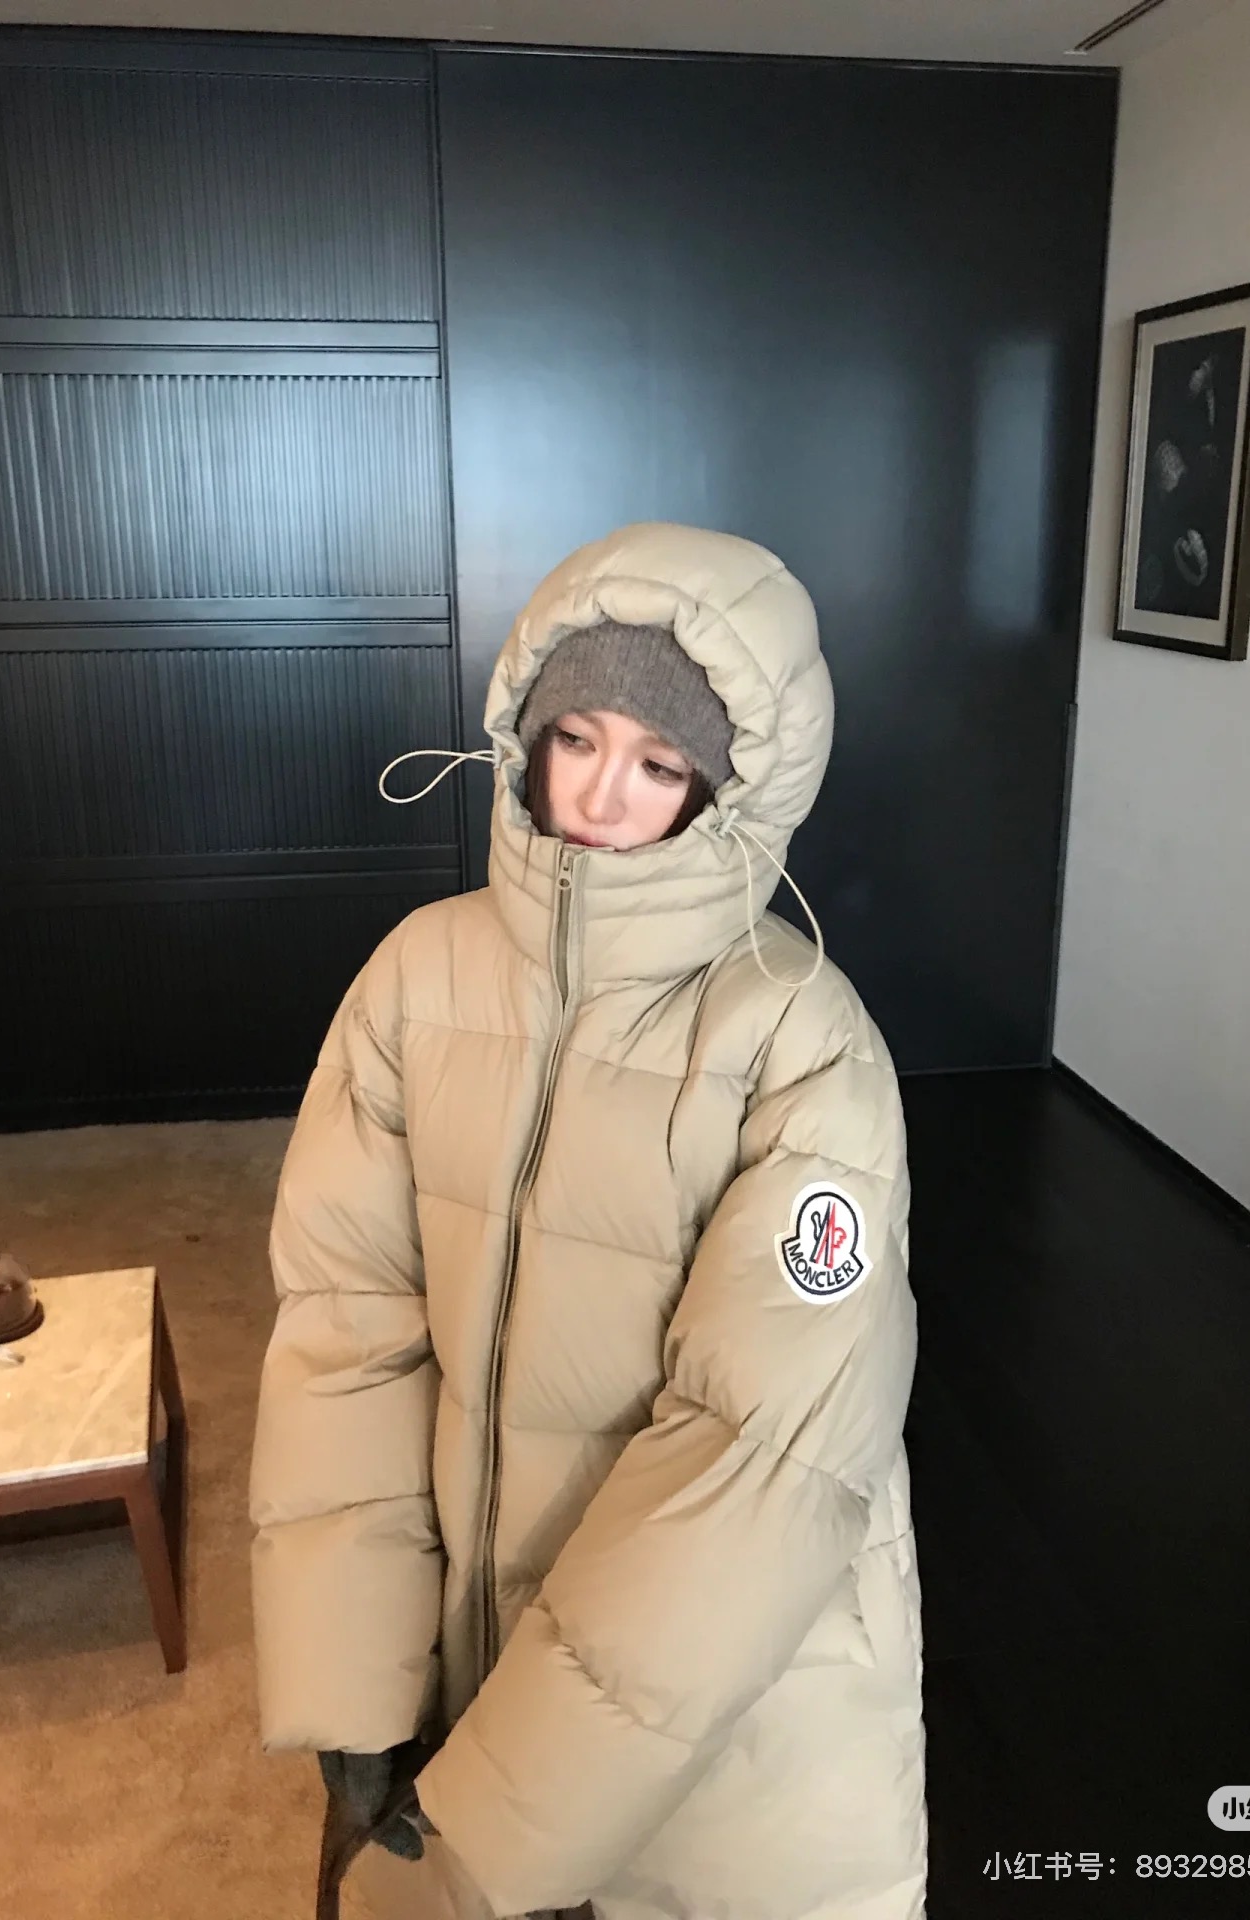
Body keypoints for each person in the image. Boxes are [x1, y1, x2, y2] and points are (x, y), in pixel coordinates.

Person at [249, 521, 927, 1920]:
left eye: (662, 763)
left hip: (736, 1736)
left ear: (732, 788)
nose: (602, 796)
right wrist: (356, 1698)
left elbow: (759, 1463)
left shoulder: (804, 1045)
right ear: (528, 733)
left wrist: (492, 1821)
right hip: (472, 1666)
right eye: (576, 738)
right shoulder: (413, 980)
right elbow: (346, 1338)